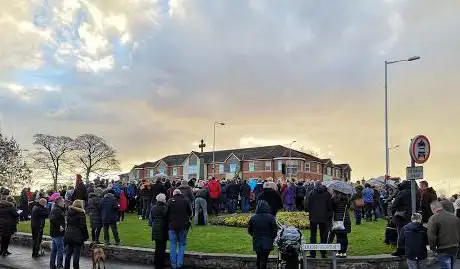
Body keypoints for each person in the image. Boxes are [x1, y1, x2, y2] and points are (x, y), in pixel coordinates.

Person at [428, 200, 460, 269]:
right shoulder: (455, 218)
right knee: (451, 266)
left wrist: (433, 248)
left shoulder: (433, 218)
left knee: (446, 266)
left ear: (433, 209)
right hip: (455, 247)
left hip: (443, 248)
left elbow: (431, 236)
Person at [166, 189, 192, 269]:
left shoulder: (170, 201)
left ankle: (174, 264)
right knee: (182, 244)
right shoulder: (186, 200)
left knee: (173, 244)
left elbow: (166, 213)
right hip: (183, 225)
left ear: (174, 194)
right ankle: (179, 264)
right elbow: (190, 212)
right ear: (180, 193)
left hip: (172, 225)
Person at [248, 200, 278, 269]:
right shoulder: (271, 218)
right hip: (267, 241)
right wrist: (272, 237)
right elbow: (275, 230)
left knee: (259, 257)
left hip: (257, 241)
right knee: (264, 259)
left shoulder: (253, 218)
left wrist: (255, 235)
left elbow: (250, 231)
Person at [305, 182, 332, 258]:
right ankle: (323, 253)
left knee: (313, 235)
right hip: (324, 217)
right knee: (323, 235)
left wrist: (309, 211)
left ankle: (312, 253)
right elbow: (330, 206)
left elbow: (306, 205)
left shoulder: (311, 193)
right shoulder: (327, 194)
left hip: (313, 217)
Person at [64, 200, 89, 269]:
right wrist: (86, 237)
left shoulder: (69, 212)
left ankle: (66, 267)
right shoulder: (81, 214)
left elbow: (67, 224)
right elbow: (83, 226)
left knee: (68, 254)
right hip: (77, 236)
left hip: (68, 235)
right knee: (76, 255)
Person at [329, 191, 351, 258]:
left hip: (337, 219)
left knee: (339, 237)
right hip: (345, 219)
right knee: (344, 236)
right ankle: (344, 252)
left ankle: (339, 252)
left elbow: (331, 208)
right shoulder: (347, 199)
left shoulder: (334, 199)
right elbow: (348, 207)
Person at [149, 194, 168, 269]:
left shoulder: (153, 207)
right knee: (162, 247)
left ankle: (156, 263)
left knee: (157, 247)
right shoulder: (165, 208)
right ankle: (160, 264)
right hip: (163, 228)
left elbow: (150, 220)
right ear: (164, 200)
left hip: (155, 228)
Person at [49, 196, 66, 269]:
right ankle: (59, 265)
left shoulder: (56, 208)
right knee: (60, 250)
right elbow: (53, 219)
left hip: (55, 233)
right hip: (58, 233)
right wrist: (60, 226)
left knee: (54, 250)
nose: (64, 203)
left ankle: (52, 265)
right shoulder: (56, 210)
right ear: (59, 202)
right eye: (62, 202)